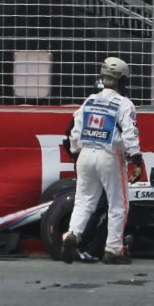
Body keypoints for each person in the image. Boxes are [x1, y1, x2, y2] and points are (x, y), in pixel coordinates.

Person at [62, 57, 144, 266]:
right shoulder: (124, 104)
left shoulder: (89, 100)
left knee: (84, 201)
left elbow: (74, 131)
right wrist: (136, 157)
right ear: (123, 81)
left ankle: (72, 234)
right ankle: (113, 249)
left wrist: (74, 153)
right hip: (110, 156)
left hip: (85, 154)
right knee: (118, 204)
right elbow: (130, 132)